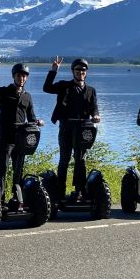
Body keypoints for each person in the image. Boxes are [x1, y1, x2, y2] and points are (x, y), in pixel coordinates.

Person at [0, 55, 43, 210]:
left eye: (24, 76)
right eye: (19, 75)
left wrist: (37, 122)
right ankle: (0, 201)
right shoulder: (4, 92)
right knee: (3, 168)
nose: (21, 78)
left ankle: (17, 198)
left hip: (21, 139)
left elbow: (31, 117)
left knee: (19, 170)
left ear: (26, 78)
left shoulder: (27, 96)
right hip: (5, 137)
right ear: (14, 77)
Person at [43, 57, 100, 200]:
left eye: (83, 70)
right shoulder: (64, 86)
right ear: (73, 71)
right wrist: (53, 71)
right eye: (78, 70)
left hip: (83, 129)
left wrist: (96, 115)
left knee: (81, 160)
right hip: (66, 128)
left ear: (86, 72)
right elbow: (47, 88)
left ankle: (80, 191)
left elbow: (94, 108)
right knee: (64, 159)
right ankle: (60, 192)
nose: (81, 72)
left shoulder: (91, 90)